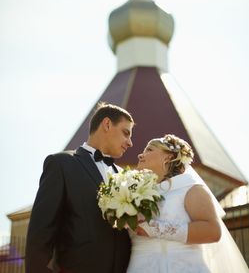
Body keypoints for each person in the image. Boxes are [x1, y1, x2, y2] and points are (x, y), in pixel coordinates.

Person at [25, 102, 134, 273]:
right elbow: (41, 232)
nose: (130, 143)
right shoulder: (61, 164)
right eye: (125, 133)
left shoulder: (125, 177)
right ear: (106, 124)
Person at [127, 134, 249, 273]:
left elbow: (213, 232)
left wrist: (155, 229)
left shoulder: (189, 188)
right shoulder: (133, 193)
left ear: (168, 157)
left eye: (149, 150)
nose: (140, 155)